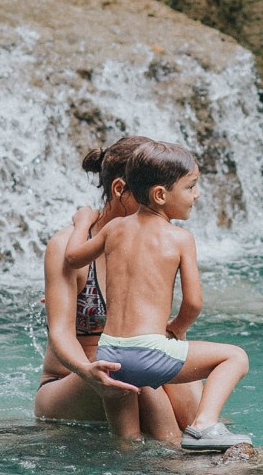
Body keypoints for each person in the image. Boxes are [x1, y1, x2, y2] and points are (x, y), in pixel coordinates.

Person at [63, 138, 251, 451]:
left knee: (127, 443)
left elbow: (72, 259)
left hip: (108, 355)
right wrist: (175, 328)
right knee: (235, 357)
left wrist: (82, 223)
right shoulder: (180, 238)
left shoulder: (113, 229)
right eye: (191, 187)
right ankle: (204, 427)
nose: (197, 194)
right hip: (149, 354)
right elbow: (193, 303)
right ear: (161, 194)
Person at [33, 137, 193, 442]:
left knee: (194, 413)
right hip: (72, 380)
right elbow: (60, 333)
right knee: (133, 373)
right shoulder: (67, 246)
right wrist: (86, 369)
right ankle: (175, 467)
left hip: (136, 364)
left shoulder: (162, 239)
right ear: (121, 189)